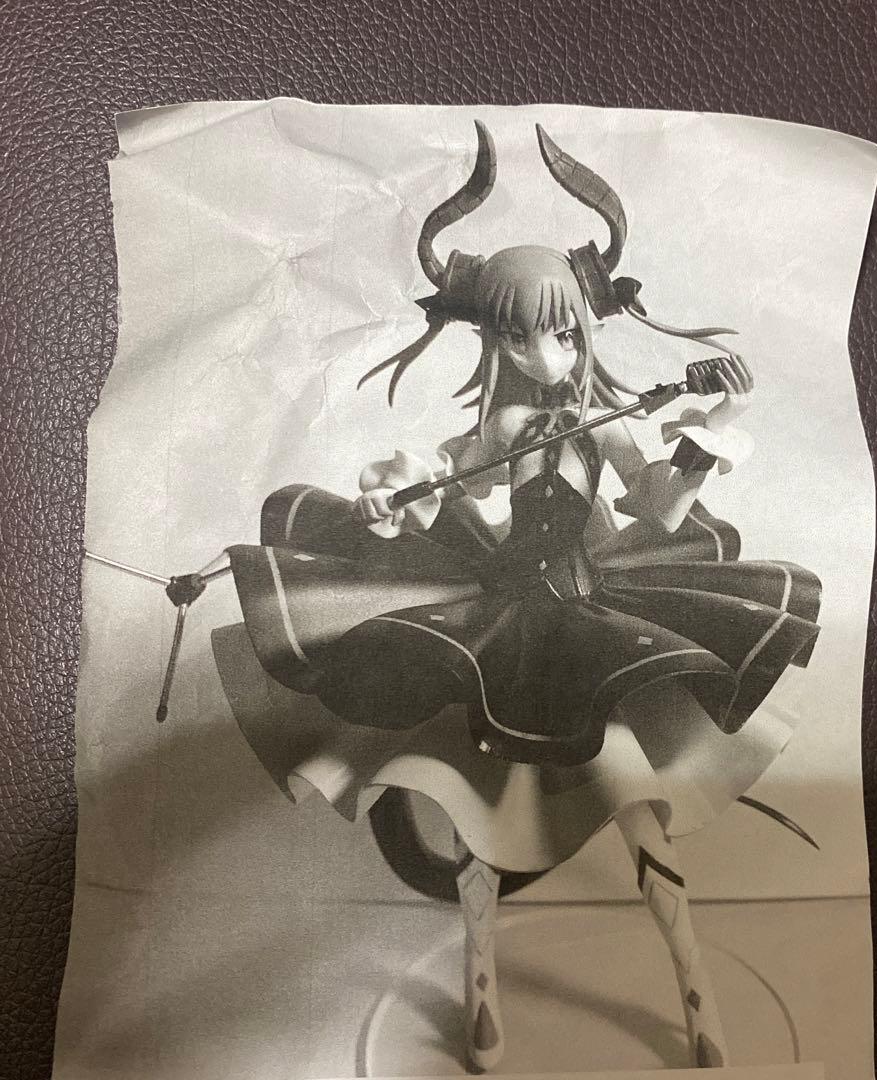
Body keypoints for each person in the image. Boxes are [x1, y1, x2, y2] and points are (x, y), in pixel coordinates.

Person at [198, 121, 821, 1071]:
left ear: (587, 327)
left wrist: (714, 428)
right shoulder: (500, 431)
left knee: (638, 808)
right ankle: (481, 982)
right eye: (517, 333)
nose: (543, 352)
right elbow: (444, 488)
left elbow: (658, 507)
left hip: (592, 610)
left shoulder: (606, 425)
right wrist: (394, 499)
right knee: (482, 818)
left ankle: (696, 993)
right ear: (491, 337)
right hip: (503, 620)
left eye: (561, 331)